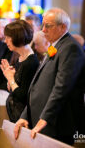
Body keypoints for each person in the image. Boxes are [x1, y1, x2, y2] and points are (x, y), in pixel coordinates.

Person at [14, 8, 85, 145]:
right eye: (43, 24)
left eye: (48, 26)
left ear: (63, 27)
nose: (43, 29)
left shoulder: (70, 48)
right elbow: (37, 86)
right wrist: (25, 115)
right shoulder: (56, 46)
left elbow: (61, 87)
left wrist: (45, 118)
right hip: (43, 119)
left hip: (57, 123)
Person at [0, 20, 39, 123]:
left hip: (24, 119)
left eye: (8, 38)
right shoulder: (21, 58)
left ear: (18, 37)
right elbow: (14, 90)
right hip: (15, 116)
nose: (5, 41)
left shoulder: (30, 62)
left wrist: (11, 79)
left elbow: (23, 96)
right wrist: (10, 81)